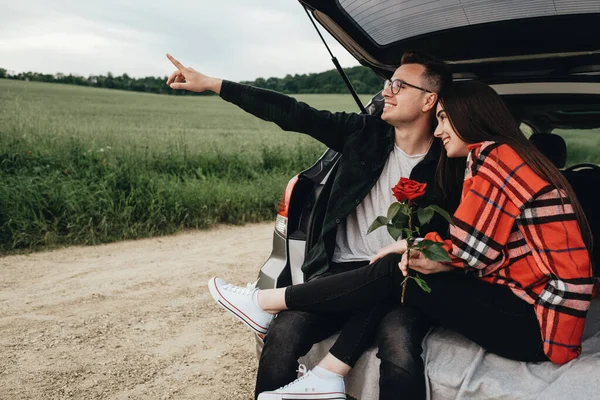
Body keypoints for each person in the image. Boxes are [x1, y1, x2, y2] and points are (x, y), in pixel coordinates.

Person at [209, 80, 596, 399]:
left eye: (444, 119)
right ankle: (324, 369)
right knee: (400, 268)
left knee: (399, 271)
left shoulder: (497, 159)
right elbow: (476, 248)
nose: (440, 129)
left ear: (471, 117)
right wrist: (413, 249)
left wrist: (409, 250)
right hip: (537, 314)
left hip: (539, 328)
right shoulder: (507, 157)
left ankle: (269, 304)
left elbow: (470, 252)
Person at [166, 52, 462, 399]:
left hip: (403, 279)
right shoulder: (364, 133)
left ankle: (308, 354)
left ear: (429, 100)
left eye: (398, 85)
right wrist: (213, 84)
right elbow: (294, 113)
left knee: (399, 346)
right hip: (340, 272)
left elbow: (451, 238)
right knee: (284, 332)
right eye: (386, 83)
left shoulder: (450, 163)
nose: (386, 92)